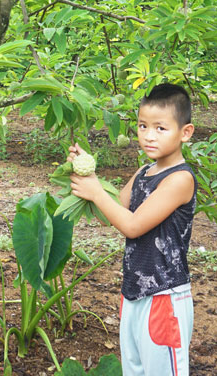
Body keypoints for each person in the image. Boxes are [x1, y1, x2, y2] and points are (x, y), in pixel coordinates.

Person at [68, 83, 197, 376]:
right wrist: (85, 172)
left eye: (160, 128)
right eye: (142, 126)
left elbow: (133, 226)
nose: (148, 136)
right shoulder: (143, 172)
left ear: (185, 133)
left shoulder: (180, 179)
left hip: (164, 296)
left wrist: (96, 190)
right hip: (134, 295)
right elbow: (110, 215)